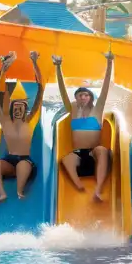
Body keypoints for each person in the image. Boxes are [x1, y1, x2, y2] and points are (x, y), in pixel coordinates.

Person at [53, 49, 115, 201]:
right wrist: (58, 66)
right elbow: (62, 90)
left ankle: (98, 189)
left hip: (94, 153)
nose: (83, 97)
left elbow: (105, 88)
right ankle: (78, 185)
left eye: (86, 95)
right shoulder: (72, 109)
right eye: (79, 95)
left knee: (102, 150)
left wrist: (109, 62)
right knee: (66, 159)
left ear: (90, 97)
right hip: (79, 155)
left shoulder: (97, 110)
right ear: (76, 98)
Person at [0, 51, 44, 202]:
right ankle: (2, 193)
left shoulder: (29, 120)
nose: (19, 109)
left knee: (22, 165)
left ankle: (20, 191)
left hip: (25, 161)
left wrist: (34, 63)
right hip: (8, 161)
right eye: (16, 106)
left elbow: (41, 90)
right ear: (12, 109)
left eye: (22, 107)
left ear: (26, 109)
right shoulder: (6, 122)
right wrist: (2, 70)